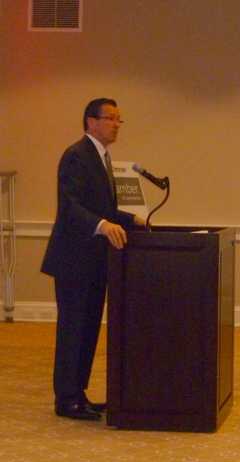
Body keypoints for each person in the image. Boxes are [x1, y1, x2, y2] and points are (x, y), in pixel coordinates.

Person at [41, 98, 145, 421]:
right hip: (74, 260)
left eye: (119, 119)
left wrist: (132, 220)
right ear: (90, 122)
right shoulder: (76, 156)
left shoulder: (102, 158)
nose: (116, 124)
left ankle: (79, 393)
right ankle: (66, 399)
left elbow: (103, 208)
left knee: (88, 329)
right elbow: (71, 207)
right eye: (110, 118)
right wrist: (103, 225)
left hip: (95, 261)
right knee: (73, 328)